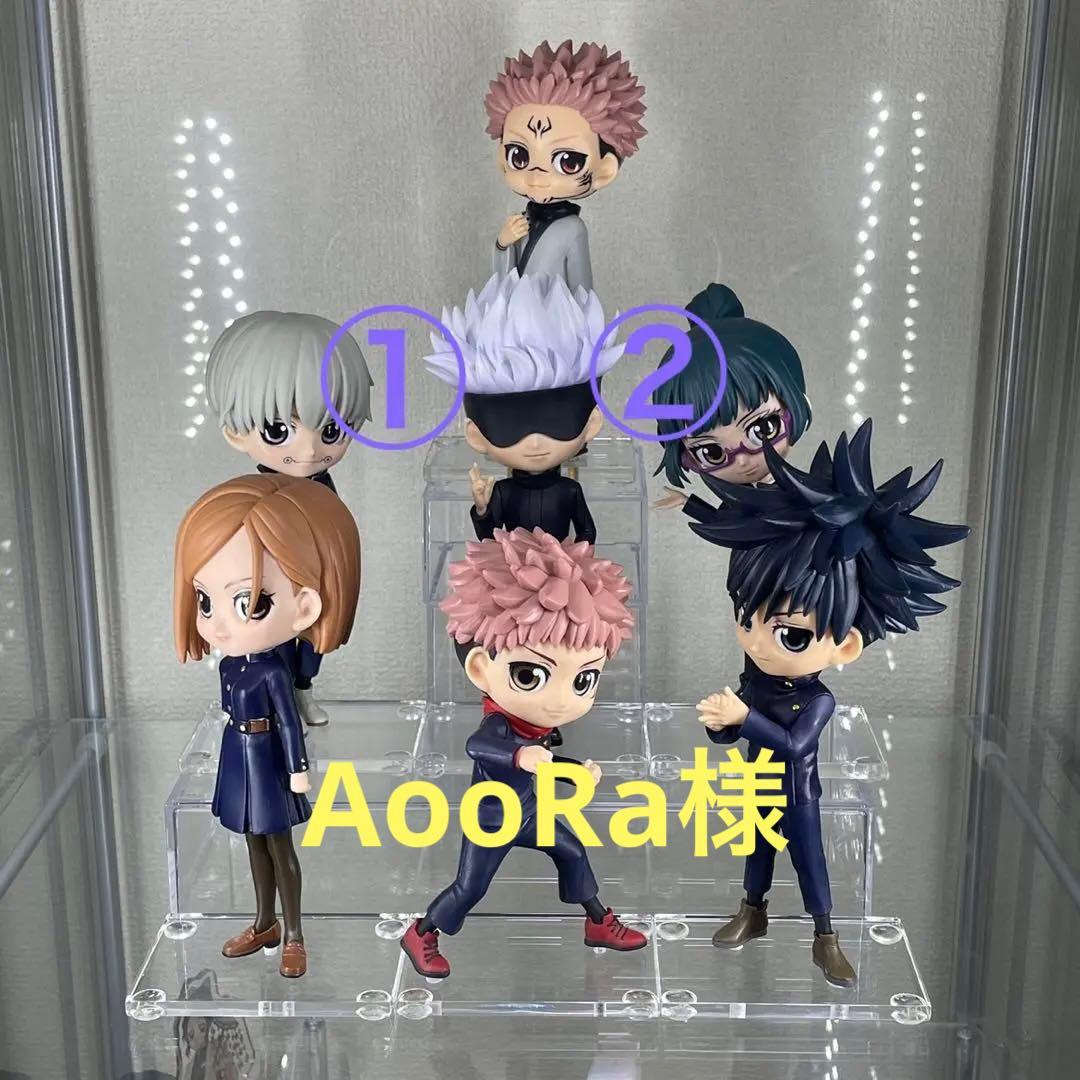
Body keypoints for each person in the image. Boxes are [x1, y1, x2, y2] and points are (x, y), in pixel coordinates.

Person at [692, 420, 969, 986]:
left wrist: (743, 717)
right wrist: (721, 723)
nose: (757, 642)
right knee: (755, 853)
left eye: (789, 634)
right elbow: (732, 729)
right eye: (746, 618)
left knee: (809, 862)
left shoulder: (818, 699)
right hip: (757, 785)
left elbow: (795, 744)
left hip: (799, 794)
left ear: (845, 647)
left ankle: (826, 937)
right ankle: (752, 911)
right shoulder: (756, 679)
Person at [400, 527, 647, 978]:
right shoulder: (499, 724)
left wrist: (576, 770)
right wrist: (520, 756)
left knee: (572, 851)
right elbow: (480, 746)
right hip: (491, 819)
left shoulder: (539, 728)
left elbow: (544, 760)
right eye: (530, 675)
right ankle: (421, 933)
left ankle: (597, 922)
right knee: (470, 888)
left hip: (531, 810)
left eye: (583, 680)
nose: (561, 701)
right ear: (481, 668)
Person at [173, 474, 361, 977]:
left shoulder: (276, 670)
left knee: (280, 846)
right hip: (238, 755)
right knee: (251, 842)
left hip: (270, 756)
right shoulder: (230, 666)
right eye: (205, 601)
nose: (217, 623)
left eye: (249, 603)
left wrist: (298, 769)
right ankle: (264, 923)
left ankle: (294, 932)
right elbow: (226, 710)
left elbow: (290, 722)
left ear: (306, 606)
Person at [204, 310, 372, 725]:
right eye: (279, 431)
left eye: (331, 431)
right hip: (269, 582)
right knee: (267, 633)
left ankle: (302, 691)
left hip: (319, 578)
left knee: (316, 638)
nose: (310, 450)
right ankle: (272, 702)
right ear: (235, 432)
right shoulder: (251, 494)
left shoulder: (324, 489)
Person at [484, 39, 646, 291]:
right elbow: (503, 282)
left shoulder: (573, 229)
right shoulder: (522, 221)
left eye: (568, 162)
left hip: (556, 315)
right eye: (519, 156)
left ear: (605, 170)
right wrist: (503, 244)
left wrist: (582, 314)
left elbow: (582, 286)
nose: (536, 177)